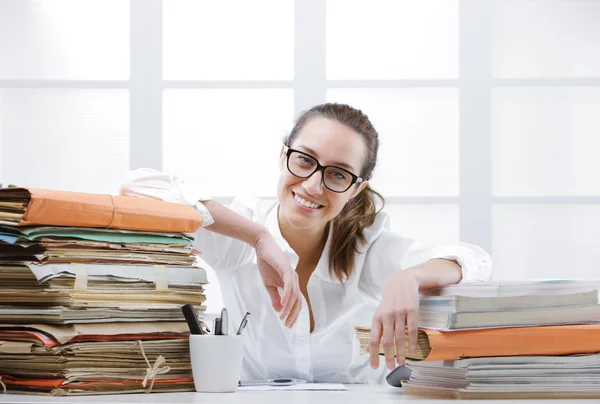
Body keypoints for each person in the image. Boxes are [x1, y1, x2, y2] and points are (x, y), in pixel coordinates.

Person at [120, 103, 492, 383]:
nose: (313, 185)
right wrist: (258, 236)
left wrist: (408, 278)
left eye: (338, 174)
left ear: (357, 188)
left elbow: (472, 262)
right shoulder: (236, 244)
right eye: (304, 161)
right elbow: (136, 188)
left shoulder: (367, 248)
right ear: (283, 157)